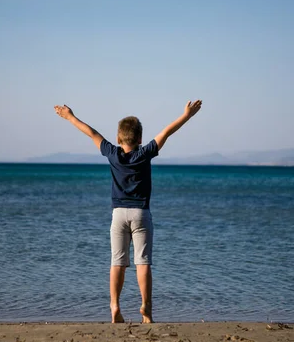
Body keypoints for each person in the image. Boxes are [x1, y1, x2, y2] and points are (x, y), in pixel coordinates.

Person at [54, 100, 203, 323]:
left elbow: (92, 133)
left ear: (118, 138)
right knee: (143, 263)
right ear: (140, 139)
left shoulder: (112, 153)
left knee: (117, 262)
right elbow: (167, 132)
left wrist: (70, 117)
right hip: (141, 213)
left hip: (118, 215)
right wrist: (187, 115)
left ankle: (114, 306)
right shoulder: (145, 153)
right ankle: (146, 307)